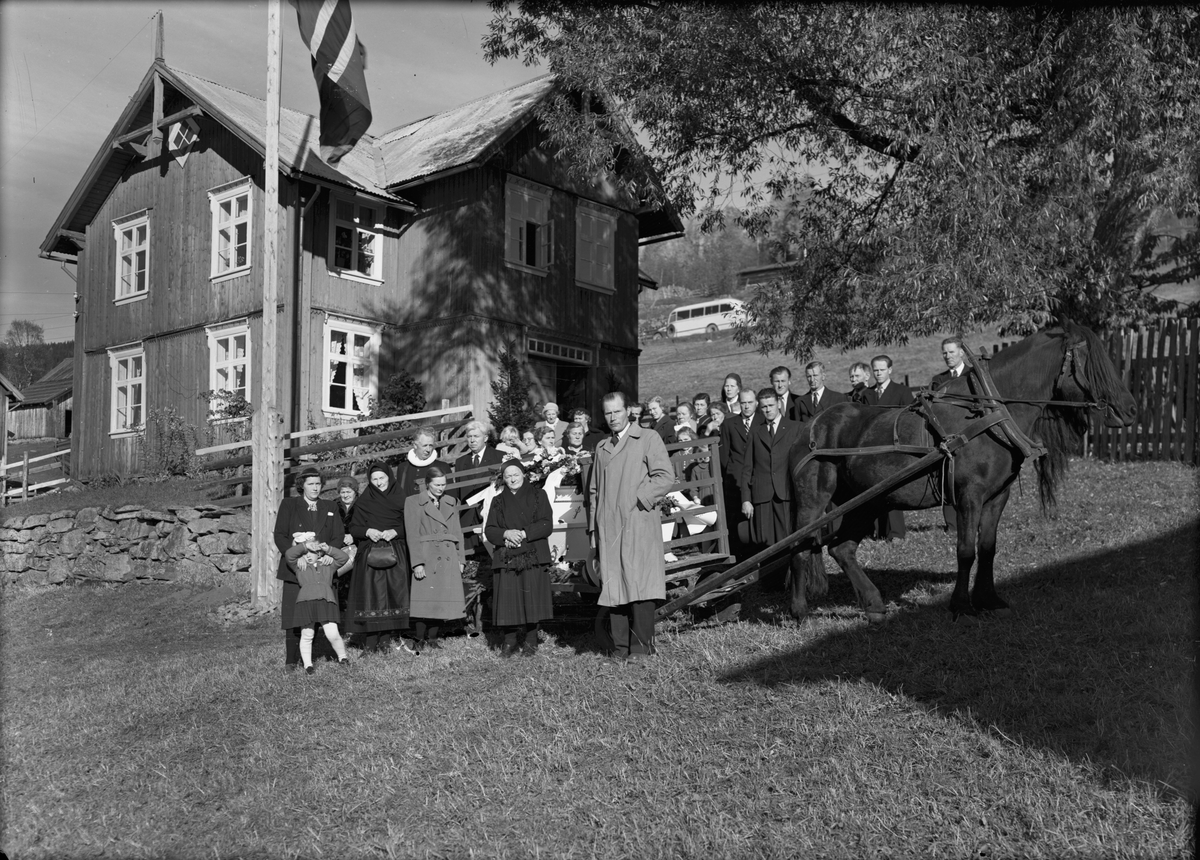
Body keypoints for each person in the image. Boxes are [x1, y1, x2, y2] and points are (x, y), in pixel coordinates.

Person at [587, 391, 675, 666]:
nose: (612, 418)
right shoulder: (601, 447)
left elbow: (665, 476)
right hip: (609, 526)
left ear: (628, 412)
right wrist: (593, 528)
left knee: (639, 585)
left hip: (637, 522)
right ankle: (620, 647)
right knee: (614, 586)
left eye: (617, 412)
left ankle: (642, 647)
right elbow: (594, 491)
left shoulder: (648, 438)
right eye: (607, 413)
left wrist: (639, 500)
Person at [273, 466, 345, 669]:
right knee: (293, 614)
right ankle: (291, 660)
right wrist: (296, 557)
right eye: (311, 484)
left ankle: (321, 656)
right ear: (302, 486)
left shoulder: (330, 506)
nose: (315, 488)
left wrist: (326, 554)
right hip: (295, 567)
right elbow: (280, 535)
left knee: (323, 612)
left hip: (322, 568)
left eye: (318, 484)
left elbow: (338, 535)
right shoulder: (289, 505)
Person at [485, 460, 556, 657]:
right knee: (509, 600)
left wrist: (523, 534)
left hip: (532, 553)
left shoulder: (539, 495)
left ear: (523, 474)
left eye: (515, 474)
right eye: (507, 476)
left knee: (531, 599)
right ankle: (510, 641)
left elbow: (546, 524)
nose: (512, 479)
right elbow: (490, 530)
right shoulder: (497, 501)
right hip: (508, 555)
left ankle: (531, 641)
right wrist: (506, 534)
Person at [345, 461, 411, 654]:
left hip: (395, 552)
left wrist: (396, 531)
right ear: (369, 481)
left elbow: (411, 525)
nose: (379, 482)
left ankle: (385, 640)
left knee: (391, 596)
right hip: (370, 553)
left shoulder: (401, 498)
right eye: (374, 479)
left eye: (382, 478)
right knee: (371, 598)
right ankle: (370, 642)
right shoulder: (364, 501)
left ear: (389, 477)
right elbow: (354, 528)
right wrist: (367, 531)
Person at [404, 466, 467, 652]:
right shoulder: (413, 502)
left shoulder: (450, 501)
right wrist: (417, 563)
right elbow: (412, 535)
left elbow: (457, 532)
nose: (441, 488)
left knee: (440, 598)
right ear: (427, 484)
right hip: (427, 555)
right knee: (425, 599)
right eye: (437, 485)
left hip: (447, 555)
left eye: (444, 484)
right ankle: (418, 638)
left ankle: (432, 638)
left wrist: (460, 559)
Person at [740, 388, 800, 553]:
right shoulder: (755, 432)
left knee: (788, 542)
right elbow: (747, 468)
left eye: (771, 405)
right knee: (765, 546)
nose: (768, 410)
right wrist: (746, 499)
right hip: (762, 497)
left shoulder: (795, 428)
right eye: (764, 406)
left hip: (786, 494)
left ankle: (789, 577)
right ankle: (770, 579)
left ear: (779, 404)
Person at [860, 355, 912, 540]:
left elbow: (909, 421)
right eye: (875, 370)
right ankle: (878, 531)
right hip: (872, 451)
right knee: (873, 491)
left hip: (894, 450)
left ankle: (896, 533)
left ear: (890, 370)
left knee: (893, 490)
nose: (878, 373)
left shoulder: (902, 392)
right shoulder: (867, 395)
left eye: (882, 370)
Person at [284, 539, 351, 673]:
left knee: (332, 633)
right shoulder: (299, 566)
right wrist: (305, 546)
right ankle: (308, 665)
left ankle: (343, 658)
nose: (308, 555)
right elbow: (289, 555)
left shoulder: (328, 565)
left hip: (326, 601)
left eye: (312, 552)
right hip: (305, 603)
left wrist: (328, 550)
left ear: (319, 554)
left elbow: (344, 557)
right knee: (307, 634)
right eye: (305, 553)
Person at [454, 420, 506, 556]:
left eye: (476, 436)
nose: (472, 440)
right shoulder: (460, 462)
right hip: (467, 515)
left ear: (486, 438)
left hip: (491, 514)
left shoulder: (499, 457)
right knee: (470, 557)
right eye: (469, 436)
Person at [719, 386, 759, 558]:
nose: (747, 406)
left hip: (757, 478)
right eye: (743, 403)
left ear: (756, 403)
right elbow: (724, 455)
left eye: (750, 402)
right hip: (735, 480)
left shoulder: (763, 421)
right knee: (736, 522)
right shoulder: (729, 424)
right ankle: (738, 558)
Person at [395, 427, 452, 500]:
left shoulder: (443, 467)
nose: (428, 450)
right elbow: (400, 496)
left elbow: (451, 498)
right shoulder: (402, 468)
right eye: (425, 445)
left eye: (430, 445)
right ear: (415, 445)